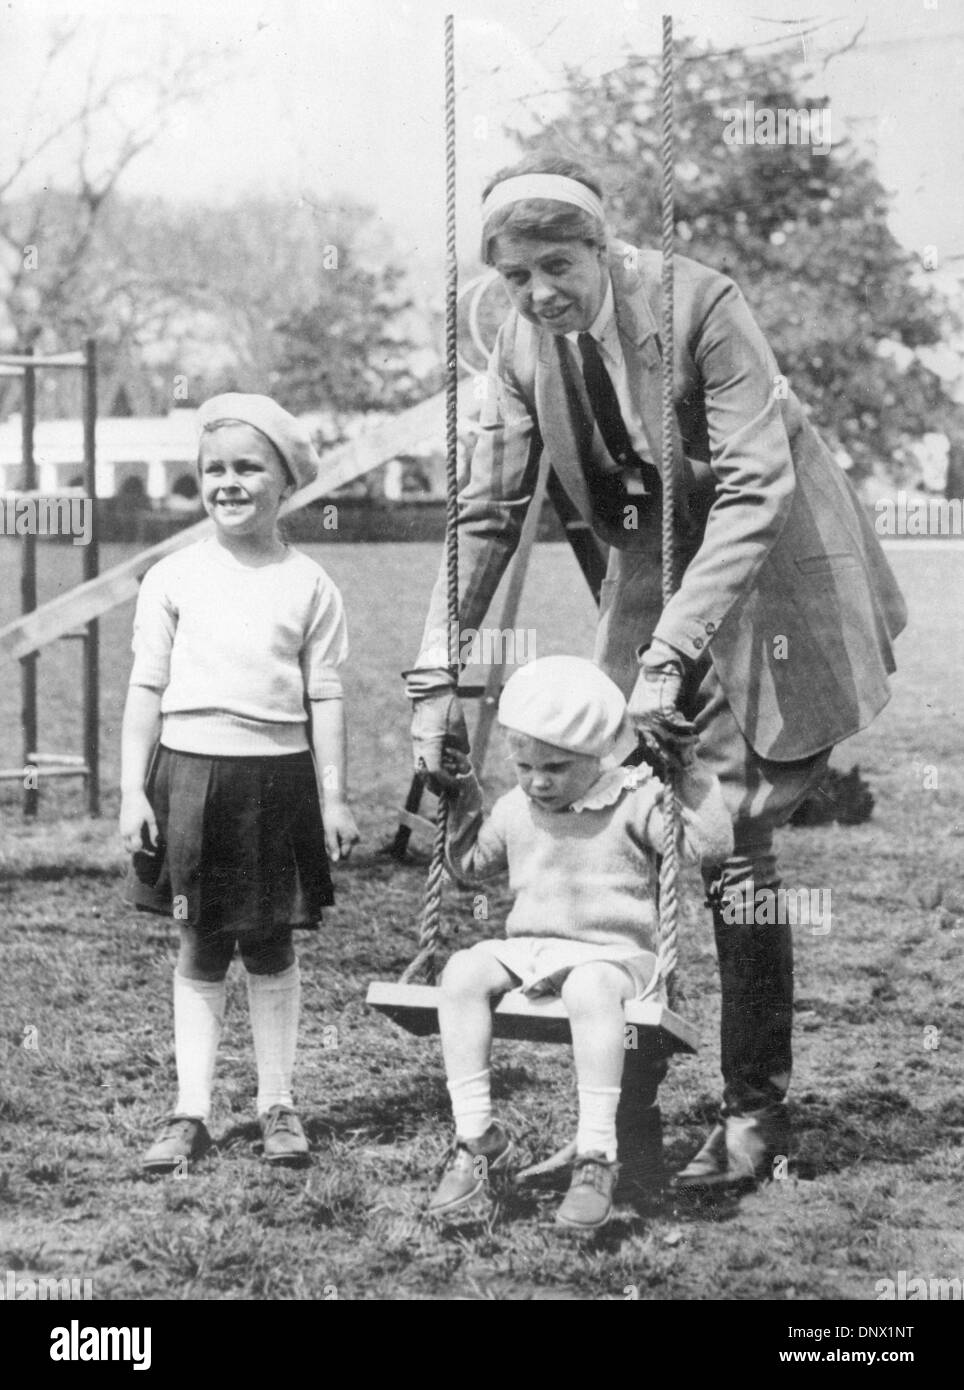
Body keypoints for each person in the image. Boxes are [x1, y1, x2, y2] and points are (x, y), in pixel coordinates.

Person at [407, 153, 907, 1190]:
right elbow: (488, 510)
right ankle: (621, 1129)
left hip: (770, 571)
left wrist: (671, 656)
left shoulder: (701, 304)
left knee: (729, 844)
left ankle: (754, 1113)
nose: (540, 293)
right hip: (649, 567)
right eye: (516, 276)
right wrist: (434, 672)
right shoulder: (515, 341)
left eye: (558, 265)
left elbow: (755, 488)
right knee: (612, 812)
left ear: (602, 246)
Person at [120, 393, 359, 1173]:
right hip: (189, 776)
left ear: (284, 481)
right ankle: (190, 1112)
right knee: (199, 939)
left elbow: (326, 697)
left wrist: (334, 796)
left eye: (248, 468)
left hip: (277, 782)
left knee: (268, 938)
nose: (228, 482)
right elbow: (145, 690)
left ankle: (277, 1104)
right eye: (214, 468)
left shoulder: (309, 583)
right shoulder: (173, 576)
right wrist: (131, 791)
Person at [428, 656, 732, 1231]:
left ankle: (597, 1154)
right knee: (463, 969)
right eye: (524, 767)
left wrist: (688, 769)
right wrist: (461, 791)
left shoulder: (635, 797)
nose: (538, 782)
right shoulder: (517, 808)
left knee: (589, 987)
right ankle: (476, 1137)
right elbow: (468, 865)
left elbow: (710, 847)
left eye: (556, 767)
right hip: (536, 950)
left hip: (616, 958)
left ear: (599, 757)